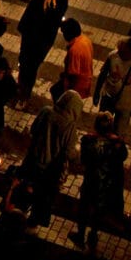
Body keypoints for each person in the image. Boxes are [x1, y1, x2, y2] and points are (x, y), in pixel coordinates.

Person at [19, 89, 83, 227]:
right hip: (49, 170)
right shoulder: (69, 127)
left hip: (33, 159)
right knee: (41, 197)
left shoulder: (46, 111)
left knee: (26, 190)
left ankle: (18, 216)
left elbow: (33, 129)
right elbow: (69, 153)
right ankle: (32, 223)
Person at [69, 112, 127, 251]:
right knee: (99, 208)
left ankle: (80, 235)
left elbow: (83, 160)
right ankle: (93, 235)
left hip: (91, 179)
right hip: (106, 182)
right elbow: (122, 158)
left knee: (84, 207)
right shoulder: (118, 143)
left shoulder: (88, 140)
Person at [16, 0, 69, 102]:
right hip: (29, 31)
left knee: (32, 66)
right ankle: (20, 85)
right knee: (23, 60)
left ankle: (25, 94)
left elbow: (54, 16)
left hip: (42, 39)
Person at [93, 37, 131, 134]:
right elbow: (103, 73)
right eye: (119, 50)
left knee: (119, 131)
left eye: (122, 51)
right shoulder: (112, 55)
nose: (119, 53)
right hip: (108, 98)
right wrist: (96, 93)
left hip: (126, 103)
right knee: (102, 128)